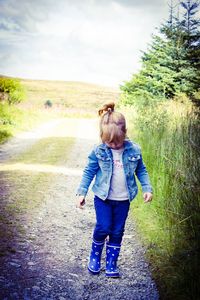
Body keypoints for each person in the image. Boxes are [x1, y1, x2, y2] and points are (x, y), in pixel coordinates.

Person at [76, 102, 153, 277]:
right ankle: (95, 255)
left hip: (123, 200)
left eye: (116, 142)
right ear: (102, 137)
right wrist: (82, 192)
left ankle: (112, 262)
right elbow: (89, 171)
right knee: (104, 226)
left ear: (124, 134)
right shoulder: (99, 150)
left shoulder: (134, 150)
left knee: (118, 230)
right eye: (108, 142)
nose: (113, 145)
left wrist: (147, 188)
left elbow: (141, 170)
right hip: (103, 198)